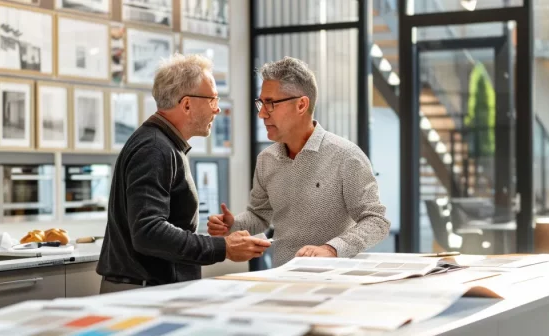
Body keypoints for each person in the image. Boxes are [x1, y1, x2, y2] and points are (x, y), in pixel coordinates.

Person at [97, 54, 271, 293]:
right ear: (187, 104)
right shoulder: (156, 148)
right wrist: (223, 247)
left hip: (147, 290)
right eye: (212, 99)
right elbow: (149, 232)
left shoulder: (161, 144)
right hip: (143, 294)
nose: (218, 109)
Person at [207, 57, 391, 265]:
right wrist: (234, 224)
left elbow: (376, 221)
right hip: (282, 276)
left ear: (301, 104)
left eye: (270, 103)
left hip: (334, 280)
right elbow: (260, 215)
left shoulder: (346, 156)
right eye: (261, 103)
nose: (261, 114)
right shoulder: (266, 160)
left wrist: (331, 249)